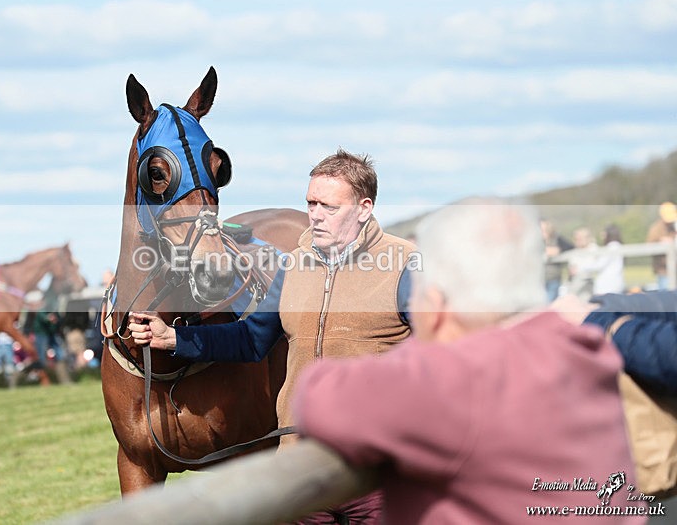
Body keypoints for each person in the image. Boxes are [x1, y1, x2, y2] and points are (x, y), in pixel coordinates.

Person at [291, 199, 643, 525]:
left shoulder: (461, 377)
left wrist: (426, 344)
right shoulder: (585, 348)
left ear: (436, 301)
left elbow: (317, 396)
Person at [129, 149, 416, 524]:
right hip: (300, 466)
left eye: (328, 206)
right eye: (310, 202)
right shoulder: (293, 266)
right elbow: (252, 339)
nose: (314, 214)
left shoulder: (403, 265)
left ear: (364, 208)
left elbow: (445, 356)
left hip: (378, 471)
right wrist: (175, 339)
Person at [540, 218, 573, 301]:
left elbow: (570, 248)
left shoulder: (557, 239)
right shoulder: (534, 240)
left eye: (544, 229)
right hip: (538, 280)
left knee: (549, 304)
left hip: (553, 278)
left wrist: (558, 250)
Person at [646, 202, 677, 291]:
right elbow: (649, 246)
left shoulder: (673, 228)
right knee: (665, 296)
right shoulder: (656, 229)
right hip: (663, 270)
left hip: (674, 269)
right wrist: (661, 242)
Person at [589, 224, 625, 296]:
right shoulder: (616, 246)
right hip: (613, 285)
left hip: (607, 286)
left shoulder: (612, 247)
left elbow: (599, 265)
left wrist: (582, 267)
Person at [567, 226, 597, 301]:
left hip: (589, 284)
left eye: (580, 238)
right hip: (575, 283)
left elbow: (592, 267)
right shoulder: (575, 251)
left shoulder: (594, 250)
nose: (578, 241)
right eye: (576, 239)